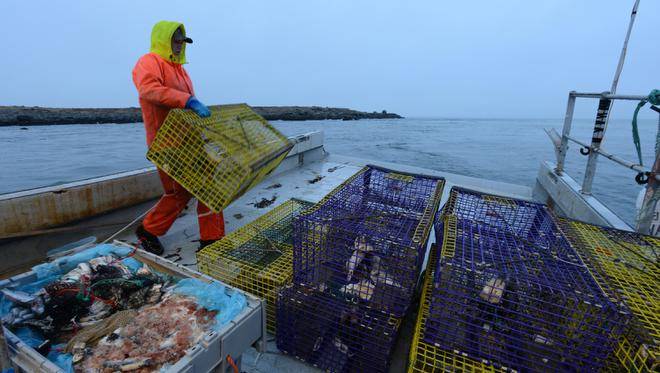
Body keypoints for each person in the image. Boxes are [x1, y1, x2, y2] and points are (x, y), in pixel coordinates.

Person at [132, 21, 224, 255]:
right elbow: (148, 90)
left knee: (209, 187)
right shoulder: (149, 61)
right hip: (166, 143)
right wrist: (188, 100)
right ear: (164, 39)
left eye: (183, 41)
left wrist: (199, 123)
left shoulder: (181, 70)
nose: (180, 45)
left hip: (189, 140)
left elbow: (187, 108)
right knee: (179, 193)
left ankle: (212, 239)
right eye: (176, 39)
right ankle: (148, 231)